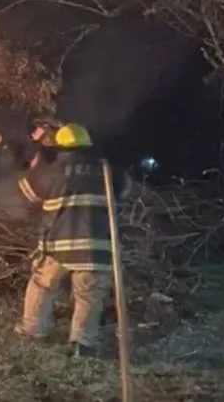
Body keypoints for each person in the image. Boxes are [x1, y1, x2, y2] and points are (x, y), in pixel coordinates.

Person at [13, 122, 141, 358]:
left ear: (60, 147)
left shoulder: (52, 172)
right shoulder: (106, 170)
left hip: (57, 247)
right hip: (96, 248)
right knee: (89, 296)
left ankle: (32, 331)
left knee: (42, 286)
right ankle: (82, 344)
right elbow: (129, 191)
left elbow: (27, 191)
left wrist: (36, 160)